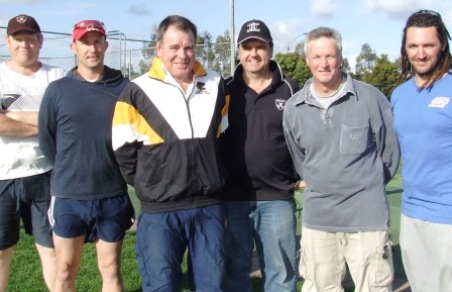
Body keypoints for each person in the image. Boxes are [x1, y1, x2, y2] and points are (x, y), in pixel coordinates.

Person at [111, 15, 228, 292]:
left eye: (189, 47)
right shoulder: (136, 91)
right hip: (160, 210)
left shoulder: (215, 84)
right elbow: (123, 150)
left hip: (208, 207)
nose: (182, 54)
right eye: (174, 47)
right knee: (161, 285)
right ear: (159, 48)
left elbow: (223, 138)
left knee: (212, 286)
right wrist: (151, 183)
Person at [283, 27, 400, 292]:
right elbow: (300, 160)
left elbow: (389, 155)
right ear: (307, 61)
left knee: (374, 287)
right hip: (319, 219)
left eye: (330, 56)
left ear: (341, 57)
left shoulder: (371, 98)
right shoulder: (293, 109)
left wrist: (364, 188)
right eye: (317, 57)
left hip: (367, 218)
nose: (324, 63)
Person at [38, 20, 134, 292]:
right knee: (65, 270)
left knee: (111, 269)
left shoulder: (124, 88)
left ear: (105, 44)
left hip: (112, 193)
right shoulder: (58, 90)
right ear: (73, 47)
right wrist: (73, 170)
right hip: (69, 196)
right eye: (84, 42)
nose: (92, 48)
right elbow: (47, 141)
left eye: (96, 41)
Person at [222, 19, 299, 292]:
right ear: (239, 51)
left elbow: (303, 137)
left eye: (260, 46)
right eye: (247, 47)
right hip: (233, 199)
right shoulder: (225, 90)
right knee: (234, 272)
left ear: (271, 49)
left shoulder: (290, 89)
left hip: (277, 198)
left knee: (281, 274)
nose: (253, 53)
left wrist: (302, 174)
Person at [0, 14, 65, 291]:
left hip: (47, 175)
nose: (24, 44)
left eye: (30, 38)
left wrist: (11, 114)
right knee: (2, 252)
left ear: (40, 40)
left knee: (51, 250)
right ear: (8, 41)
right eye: (18, 38)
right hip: (4, 176)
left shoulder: (57, 76)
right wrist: (45, 122)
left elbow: (64, 120)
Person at [391, 9, 452, 292]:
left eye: (429, 45)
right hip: (412, 214)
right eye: (413, 46)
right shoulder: (399, 95)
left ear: (442, 45)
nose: (421, 53)